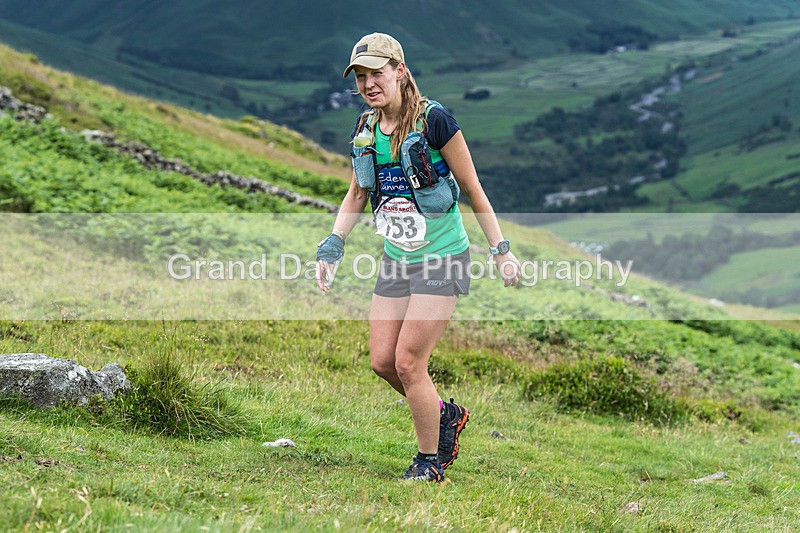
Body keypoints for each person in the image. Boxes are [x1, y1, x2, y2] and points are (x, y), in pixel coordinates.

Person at [316, 32, 520, 482]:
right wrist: (333, 243)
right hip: (397, 260)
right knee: (383, 362)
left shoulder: (435, 122)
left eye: (377, 73)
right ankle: (444, 414)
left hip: (443, 258)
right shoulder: (365, 128)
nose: (369, 84)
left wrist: (501, 250)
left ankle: (430, 462)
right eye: (361, 77)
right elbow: (357, 194)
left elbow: (473, 189)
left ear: (400, 71)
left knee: (409, 362)